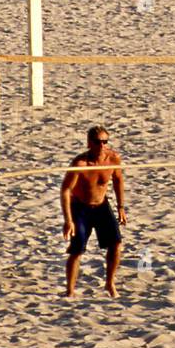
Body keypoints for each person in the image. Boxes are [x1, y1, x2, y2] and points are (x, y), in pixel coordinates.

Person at [61, 126, 126, 298]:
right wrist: (68, 220)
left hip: (102, 205)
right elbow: (65, 190)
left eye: (105, 142)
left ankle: (110, 284)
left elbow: (118, 180)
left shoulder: (113, 158)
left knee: (116, 244)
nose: (102, 146)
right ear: (89, 143)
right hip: (80, 207)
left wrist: (121, 207)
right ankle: (70, 290)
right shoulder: (80, 163)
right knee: (77, 250)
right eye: (98, 142)